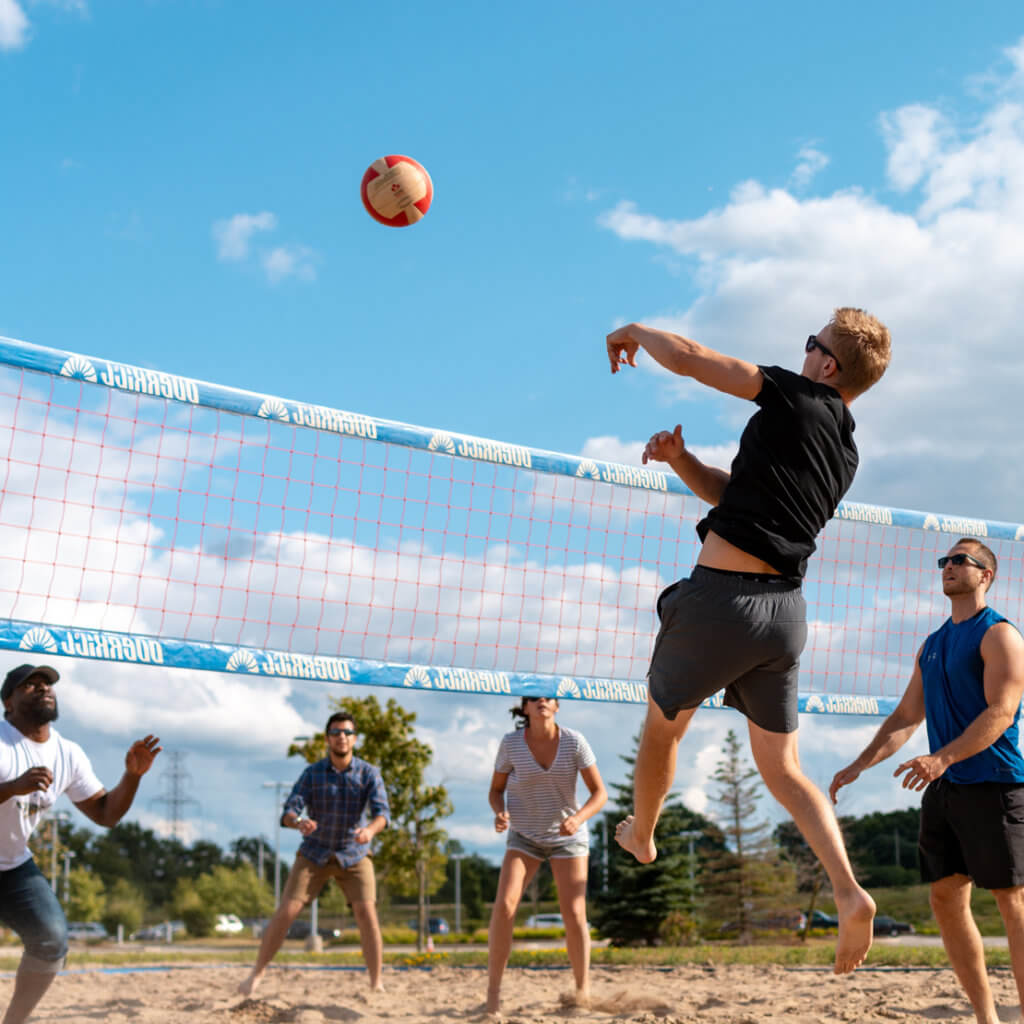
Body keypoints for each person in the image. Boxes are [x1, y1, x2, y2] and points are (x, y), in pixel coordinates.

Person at [606, 309, 890, 974]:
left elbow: (690, 357)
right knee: (784, 770)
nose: (803, 350)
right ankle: (849, 893)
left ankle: (642, 836)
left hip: (721, 605)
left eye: (811, 343)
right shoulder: (843, 448)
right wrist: (683, 462)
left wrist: (634, 331)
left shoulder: (796, 394)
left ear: (827, 366)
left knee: (661, 729)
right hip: (784, 615)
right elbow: (740, 500)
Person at [830, 538, 1024, 1023]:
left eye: (962, 560)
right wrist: (859, 764)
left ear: (986, 576)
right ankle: (985, 1017)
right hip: (946, 789)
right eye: (946, 561)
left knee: (1012, 903)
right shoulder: (933, 644)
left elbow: (1002, 712)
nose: (950, 566)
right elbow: (905, 716)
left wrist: (942, 758)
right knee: (944, 896)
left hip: (994, 782)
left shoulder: (998, 635)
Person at [0, 663, 161, 1024]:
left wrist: (132, 776)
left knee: (51, 939)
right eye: (30, 685)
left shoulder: (67, 752)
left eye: (47, 683)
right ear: (8, 702)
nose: (43, 688)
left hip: (11, 865)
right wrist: (12, 787)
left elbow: (105, 814)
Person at [239, 711, 390, 997]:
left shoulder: (369, 773)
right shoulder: (313, 773)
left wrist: (370, 831)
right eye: (335, 732)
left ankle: (376, 983)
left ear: (354, 739)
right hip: (315, 852)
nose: (341, 737)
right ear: (327, 739)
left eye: (347, 732)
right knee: (287, 912)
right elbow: (288, 812)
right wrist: (299, 822)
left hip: (353, 851)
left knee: (366, 912)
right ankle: (255, 976)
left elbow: (382, 814)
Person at [486, 695, 607, 1015]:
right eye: (534, 698)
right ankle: (493, 994)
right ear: (524, 708)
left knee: (574, 913)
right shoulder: (511, 744)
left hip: (568, 837)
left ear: (557, 706)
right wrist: (500, 813)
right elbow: (495, 791)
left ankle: (582, 992)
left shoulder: (574, 741)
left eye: (548, 697)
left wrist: (578, 819)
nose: (541, 701)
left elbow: (600, 793)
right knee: (505, 906)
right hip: (524, 836)